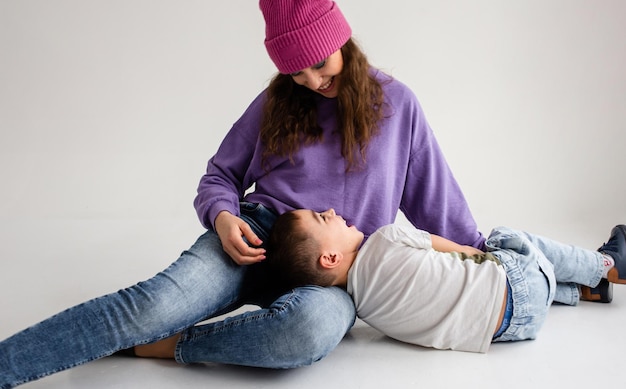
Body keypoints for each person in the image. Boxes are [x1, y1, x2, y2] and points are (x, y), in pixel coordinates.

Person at [0, 0, 487, 387]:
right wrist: (222, 217)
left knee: (307, 333)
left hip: (333, 273)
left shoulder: (397, 105)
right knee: (150, 307)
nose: (313, 82)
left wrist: (490, 260)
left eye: (319, 64)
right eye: (297, 73)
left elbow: (435, 198)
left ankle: (170, 346)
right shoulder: (279, 100)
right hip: (254, 237)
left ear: (342, 39)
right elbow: (219, 177)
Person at [266, 208, 626, 353]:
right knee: (503, 240)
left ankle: (580, 290)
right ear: (329, 258)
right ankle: (606, 264)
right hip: (522, 285)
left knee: (513, 277)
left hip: (511, 330)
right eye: (321, 218)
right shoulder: (386, 237)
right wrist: (489, 259)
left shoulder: (363, 310)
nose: (330, 211)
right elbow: (463, 251)